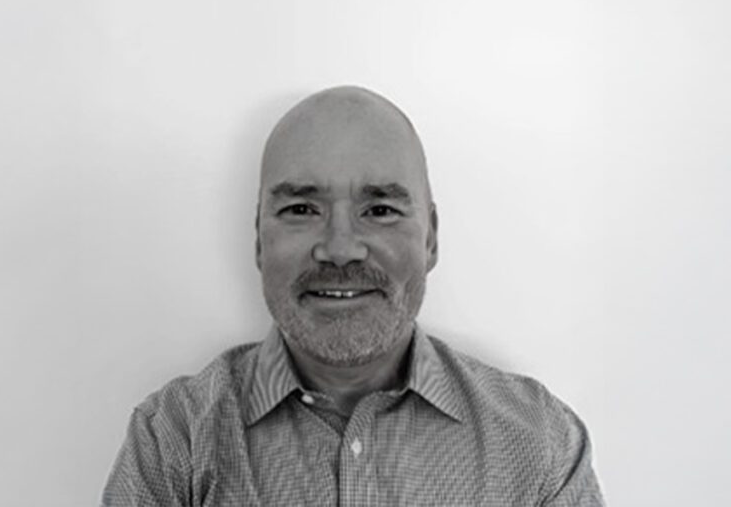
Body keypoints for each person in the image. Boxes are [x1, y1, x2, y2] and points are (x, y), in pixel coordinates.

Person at [101, 87, 605, 506]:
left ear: (429, 237)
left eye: (380, 210)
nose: (340, 248)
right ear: (259, 240)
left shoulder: (540, 444)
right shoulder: (173, 441)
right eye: (301, 209)